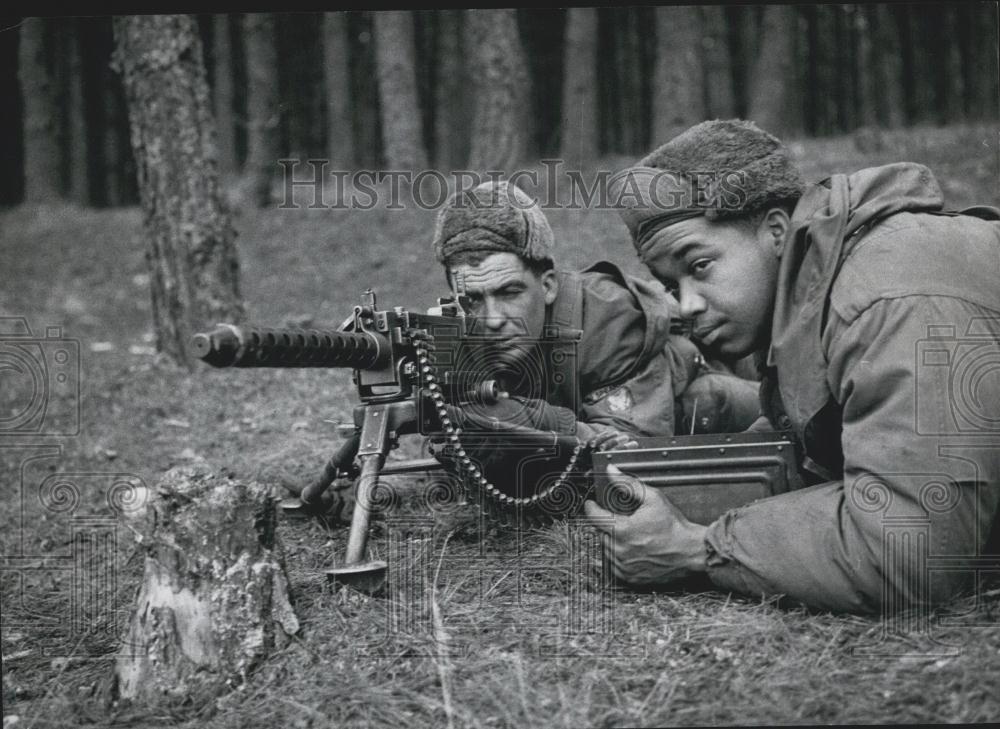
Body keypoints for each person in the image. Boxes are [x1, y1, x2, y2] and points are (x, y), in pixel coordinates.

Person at [585, 119, 1000, 614]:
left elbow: (908, 549)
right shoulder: (817, 288)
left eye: (699, 266)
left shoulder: (889, 299)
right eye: (670, 287)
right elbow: (820, 442)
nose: (685, 306)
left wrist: (698, 547)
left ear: (776, 230)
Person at [429, 179, 761, 447]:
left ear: (547, 286)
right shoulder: (459, 329)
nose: (493, 319)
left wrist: (519, 419)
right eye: (472, 299)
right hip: (592, 414)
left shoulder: (608, 319)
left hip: (712, 389)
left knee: (705, 402)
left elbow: (630, 448)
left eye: (509, 292)